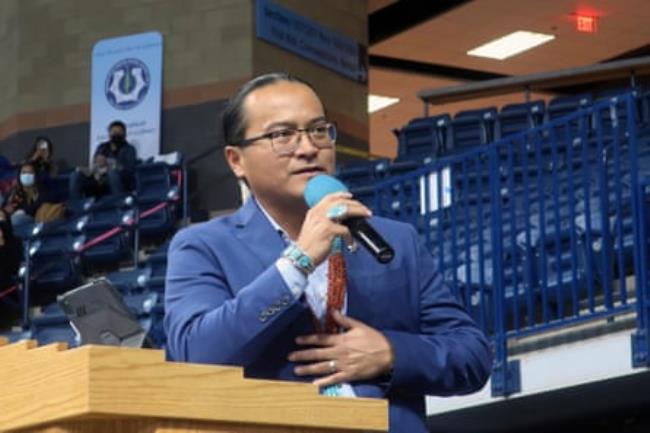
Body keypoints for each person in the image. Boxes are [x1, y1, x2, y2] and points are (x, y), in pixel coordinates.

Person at [164, 73, 492, 433]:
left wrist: (391, 354)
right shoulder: (203, 246)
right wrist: (298, 262)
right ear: (236, 160)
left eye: (318, 130)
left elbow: (471, 355)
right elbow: (196, 356)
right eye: (282, 135)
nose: (307, 148)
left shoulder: (395, 241)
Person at [70, 120, 137, 199]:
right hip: (98, 178)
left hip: (119, 179)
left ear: (124, 134)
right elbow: (95, 164)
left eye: (119, 132)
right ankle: (77, 205)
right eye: (114, 132)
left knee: (112, 173)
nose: (116, 134)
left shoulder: (129, 149)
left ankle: (119, 202)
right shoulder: (102, 147)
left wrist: (108, 163)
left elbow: (128, 170)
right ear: (109, 133)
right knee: (76, 174)